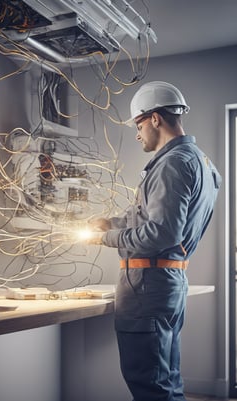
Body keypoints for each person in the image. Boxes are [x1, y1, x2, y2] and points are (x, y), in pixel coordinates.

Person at [88, 81, 221, 401]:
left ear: (155, 119)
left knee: (151, 385)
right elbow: (164, 221)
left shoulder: (172, 163)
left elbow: (161, 233)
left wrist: (105, 236)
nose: (137, 134)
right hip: (168, 282)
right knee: (165, 378)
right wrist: (113, 222)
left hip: (148, 286)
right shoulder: (201, 162)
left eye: (138, 124)